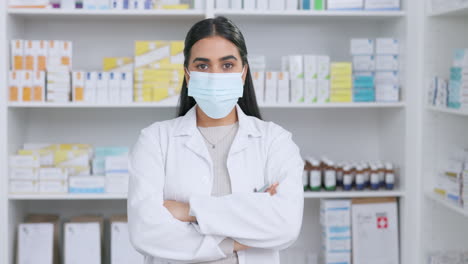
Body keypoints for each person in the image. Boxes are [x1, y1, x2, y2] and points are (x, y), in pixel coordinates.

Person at [127, 16, 304, 264]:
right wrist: (236, 238)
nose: (214, 75)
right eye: (202, 66)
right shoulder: (155, 140)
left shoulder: (275, 141)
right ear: (188, 75)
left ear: (243, 73)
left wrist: (189, 210)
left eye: (227, 65)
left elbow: (285, 224)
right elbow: (145, 231)